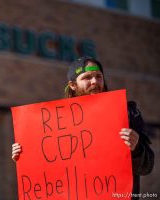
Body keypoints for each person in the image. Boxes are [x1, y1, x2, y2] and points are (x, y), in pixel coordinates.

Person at [12, 56, 154, 199]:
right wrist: (25, 156)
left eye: (99, 76)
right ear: (73, 85)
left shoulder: (126, 112)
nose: (95, 82)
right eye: (87, 77)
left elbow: (147, 167)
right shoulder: (58, 124)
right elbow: (49, 173)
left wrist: (136, 149)